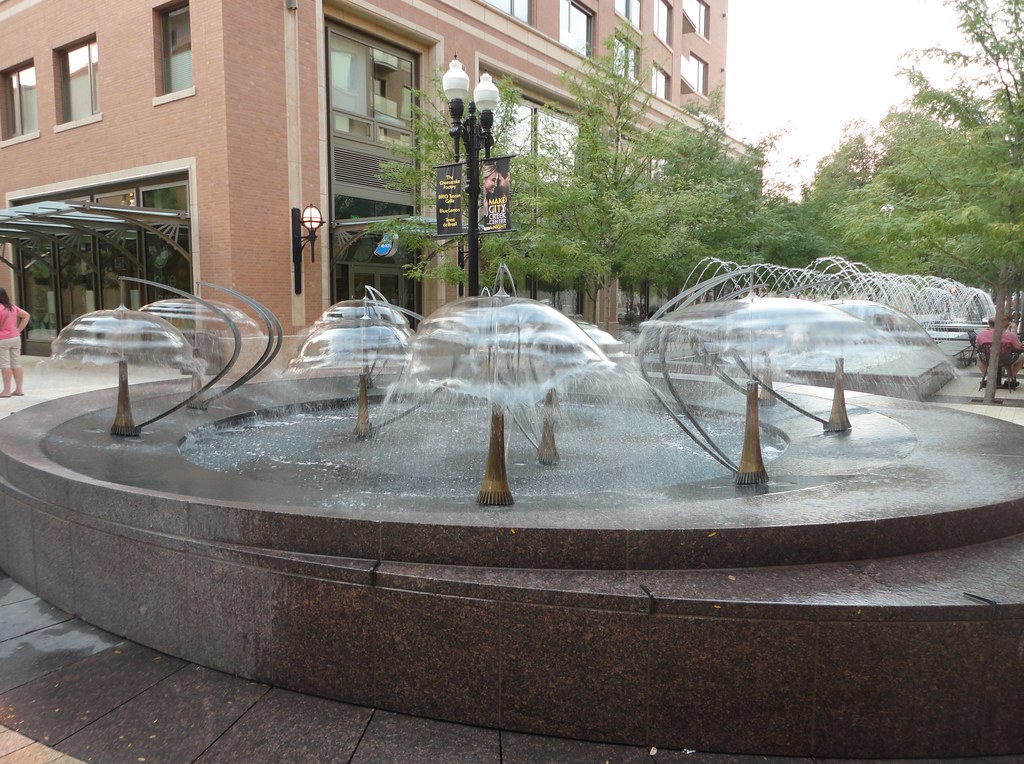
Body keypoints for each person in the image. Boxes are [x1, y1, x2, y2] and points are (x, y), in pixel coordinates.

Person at [975, 314, 1024, 388]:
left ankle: (989, 377)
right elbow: (1019, 347)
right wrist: (1014, 330)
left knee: (978, 357)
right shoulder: (1009, 335)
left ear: (989, 324)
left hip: (988, 359)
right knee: (1022, 358)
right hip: (1006, 360)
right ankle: (1010, 379)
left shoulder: (981, 334)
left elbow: (978, 346)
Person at [0, 287, 29, 397]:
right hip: (16, 338)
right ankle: (19, 390)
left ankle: (6, 391)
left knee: (5, 364)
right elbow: (26, 316)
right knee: (16, 363)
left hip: (3, 339)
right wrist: (18, 330)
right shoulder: (12, 307)